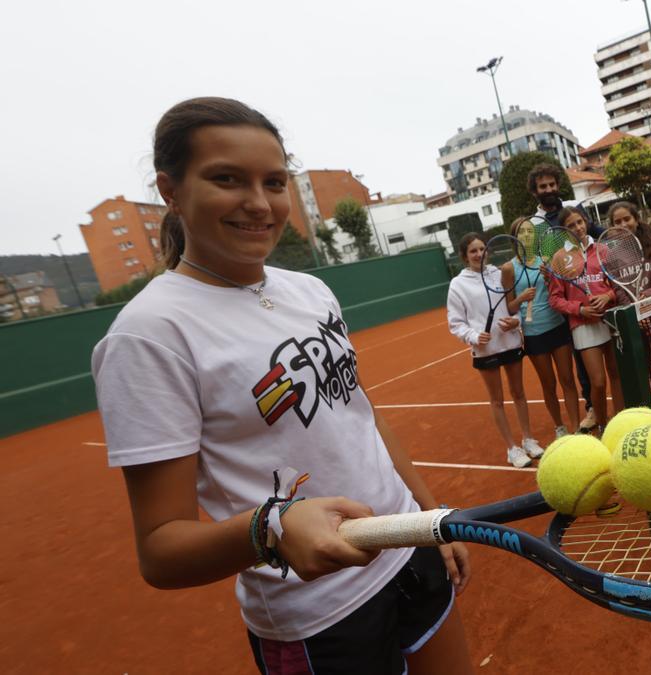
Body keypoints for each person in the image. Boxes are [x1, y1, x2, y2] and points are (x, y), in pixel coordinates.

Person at [91, 97, 472, 674]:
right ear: (170, 191)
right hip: (318, 612)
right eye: (226, 179)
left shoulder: (310, 291)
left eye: (274, 182)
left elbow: (361, 416)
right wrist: (269, 527)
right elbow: (161, 550)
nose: (258, 203)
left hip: (404, 549)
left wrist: (427, 516)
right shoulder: (149, 336)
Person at [447, 233, 545, 467]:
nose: (479, 254)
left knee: (519, 393)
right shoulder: (457, 285)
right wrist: (473, 336)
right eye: (473, 251)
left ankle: (528, 439)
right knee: (497, 400)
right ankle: (512, 449)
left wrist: (516, 322)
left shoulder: (498, 274)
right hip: (485, 349)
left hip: (509, 342)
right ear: (464, 256)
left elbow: (511, 307)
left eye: (482, 249)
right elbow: (455, 322)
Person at [528, 163, 601, 431]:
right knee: (580, 354)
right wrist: (547, 271)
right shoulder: (535, 224)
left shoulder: (573, 207)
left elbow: (593, 232)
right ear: (535, 192)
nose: (548, 190)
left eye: (551, 185)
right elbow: (540, 259)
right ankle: (592, 407)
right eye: (542, 187)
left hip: (596, 287)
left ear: (558, 185)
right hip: (566, 300)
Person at [546, 206, 625, 433]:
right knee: (598, 382)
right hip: (582, 325)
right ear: (564, 231)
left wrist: (607, 296)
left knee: (616, 375)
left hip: (609, 318)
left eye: (580, 222)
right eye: (571, 225)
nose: (577, 228)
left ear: (586, 222)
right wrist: (580, 309)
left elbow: (617, 284)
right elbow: (555, 299)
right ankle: (602, 425)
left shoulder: (602, 250)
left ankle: (619, 423)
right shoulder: (559, 259)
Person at [508, 216, 580, 437]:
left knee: (567, 380)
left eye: (530, 232)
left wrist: (550, 278)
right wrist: (520, 298)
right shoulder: (508, 269)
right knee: (548, 384)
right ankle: (560, 427)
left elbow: (557, 292)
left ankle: (576, 428)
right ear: (515, 237)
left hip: (556, 326)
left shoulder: (545, 261)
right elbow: (509, 307)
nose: (527, 236)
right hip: (534, 333)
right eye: (522, 232)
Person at [607, 201, 651, 409]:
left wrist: (647, 296)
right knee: (647, 371)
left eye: (627, 219)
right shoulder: (613, 256)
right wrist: (634, 310)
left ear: (636, 220)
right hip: (634, 322)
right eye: (617, 221)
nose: (623, 224)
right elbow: (617, 288)